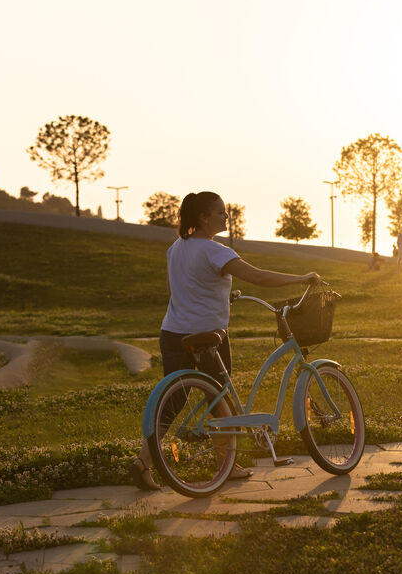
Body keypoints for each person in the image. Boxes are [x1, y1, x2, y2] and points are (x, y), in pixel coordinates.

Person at [129, 190, 321, 491]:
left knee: (175, 398)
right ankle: (226, 465)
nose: (226, 216)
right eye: (220, 212)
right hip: (208, 335)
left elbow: (176, 290)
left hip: (173, 333)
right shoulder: (214, 250)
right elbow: (257, 277)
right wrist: (300, 278)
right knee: (219, 399)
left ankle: (143, 462)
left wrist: (217, 295)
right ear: (204, 218)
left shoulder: (176, 249)